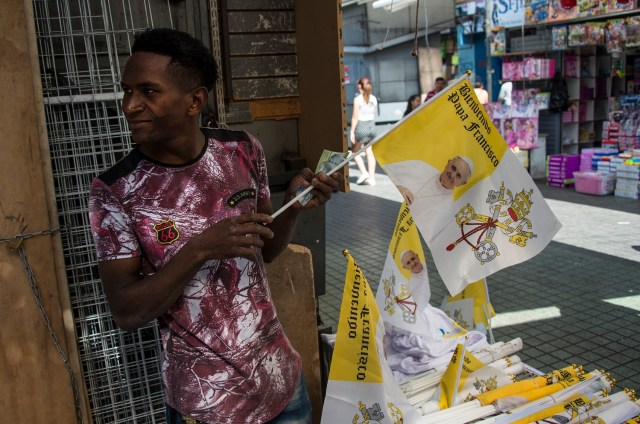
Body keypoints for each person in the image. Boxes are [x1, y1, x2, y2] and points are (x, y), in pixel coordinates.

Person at [88, 28, 342, 424]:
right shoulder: (118, 190)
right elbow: (126, 311)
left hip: (280, 387)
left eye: (148, 92)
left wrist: (294, 205)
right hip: (208, 406)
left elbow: (267, 250)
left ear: (195, 101)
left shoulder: (241, 149)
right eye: (127, 91)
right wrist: (201, 247)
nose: (130, 105)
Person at [383, 156, 474, 242]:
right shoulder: (419, 166)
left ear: (462, 183)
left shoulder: (448, 212)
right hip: (384, 211)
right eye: (453, 168)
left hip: (394, 237)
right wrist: (397, 187)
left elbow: (425, 239)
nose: (452, 175)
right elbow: (385, 169)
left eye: (458, 175)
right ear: (448, 163)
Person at [350, 77, 378, 185]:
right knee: (369, 152)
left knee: (354, 152)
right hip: (371, 126)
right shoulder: (374, 98)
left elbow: (355, 117)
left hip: (361, 126)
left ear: (360, 86)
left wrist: (352, 131)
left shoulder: (358, 99)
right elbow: (374, 114)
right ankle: (372, 178)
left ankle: (364, 172)